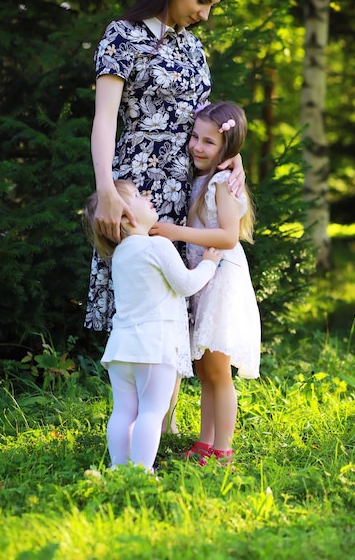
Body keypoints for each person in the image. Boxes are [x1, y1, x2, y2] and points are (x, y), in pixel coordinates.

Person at [85, 0, 244, 433]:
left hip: (184, 191)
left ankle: (165, 424)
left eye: (213, 4)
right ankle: (138, 416)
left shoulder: (192, 48)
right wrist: (107, 188)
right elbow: (104, 118)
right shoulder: (123, 36)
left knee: (181, 302)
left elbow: (207, 123)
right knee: (139, 296)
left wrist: (231, 156)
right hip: (135, 190)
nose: (205, 13)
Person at [84, 179, 221, 472]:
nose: (146, 195)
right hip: (154, 347)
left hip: (121, 349)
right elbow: (185, 284)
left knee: (123, 412)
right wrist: (208, 264)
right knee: (151, 411)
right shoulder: (157, 245)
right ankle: (142, 472)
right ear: (123, 216)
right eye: (135, 195)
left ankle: (118, 468)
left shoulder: (119, 255)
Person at [150, 102, 261, 465]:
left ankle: (223, 448)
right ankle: (205, 441)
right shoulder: (203, 176)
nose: (197, 146)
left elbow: (229, 236)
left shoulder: (221, 182)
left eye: (208, 142)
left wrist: (170, 231)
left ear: (226, 148)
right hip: (207, 278)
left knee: (217, 371)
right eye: (195, 137)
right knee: (206, 370)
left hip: (222, 278)